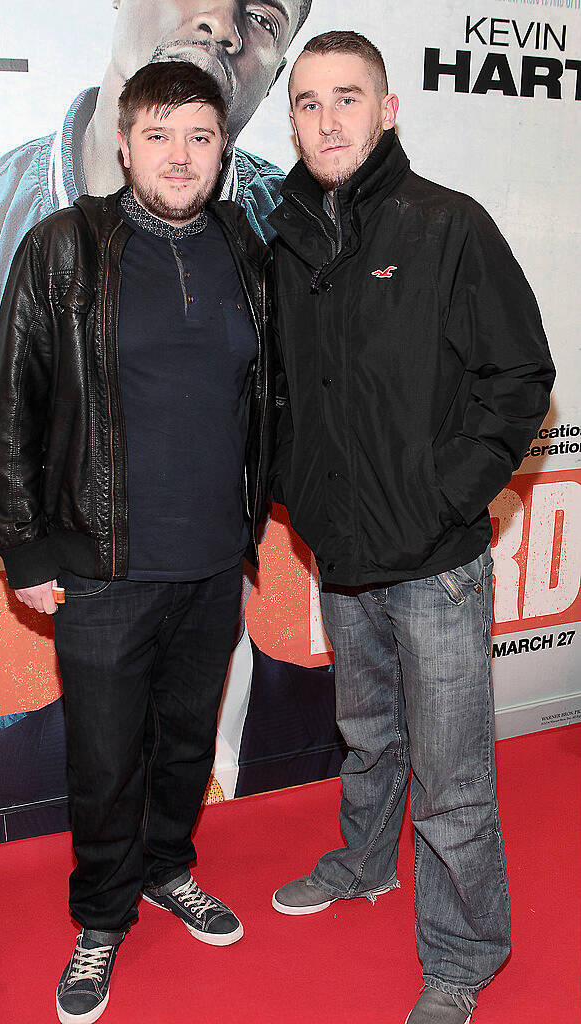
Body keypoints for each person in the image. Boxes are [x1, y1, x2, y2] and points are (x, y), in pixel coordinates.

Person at [0, 60, 274, 1023]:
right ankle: (101, 918)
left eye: (199, 136)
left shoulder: (243, 245)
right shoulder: (64, 247)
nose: (179, 156)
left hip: (212, 561)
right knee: (105, 760)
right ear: (124, 141)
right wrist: (23, 550)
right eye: (160, 135)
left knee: (185, 745)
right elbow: (10, 405)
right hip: (102, 569)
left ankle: (168, 867)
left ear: (222, 146)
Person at [268, 31, 555, 1024]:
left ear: (388, 109)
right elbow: (279, 394)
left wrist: (451, 490)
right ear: (292, 118)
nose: (329, 119)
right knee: (366, 736)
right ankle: (361, 863)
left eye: (349, 98)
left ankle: (464, 957)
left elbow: (522, 377)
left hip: (433, 560)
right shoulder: (287, 237)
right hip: (339, 553)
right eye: (309, 102)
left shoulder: (448, 225)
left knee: (455, 777)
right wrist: (295, 488)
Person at [0, 0, 312, 541]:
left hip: (205, 576)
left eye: (263, 18)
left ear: (274, 76)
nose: (223, 25)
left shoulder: (292, 237)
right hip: (80, 594)